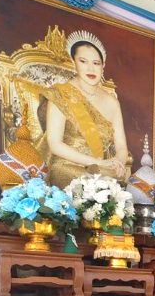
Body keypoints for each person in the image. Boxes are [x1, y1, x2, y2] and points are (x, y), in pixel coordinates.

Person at [38, 30, 130, 187]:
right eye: (83, 61)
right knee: (93, 182)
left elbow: (121, 147)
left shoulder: (112, 102)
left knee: (118, 182)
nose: (90, 69)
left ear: (103, 66)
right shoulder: (61, 93)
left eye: (96, 63)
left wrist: (118, 163)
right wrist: (97, 162)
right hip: (66, 165)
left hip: (101, 167)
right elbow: (55, 144)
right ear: (74, 62)